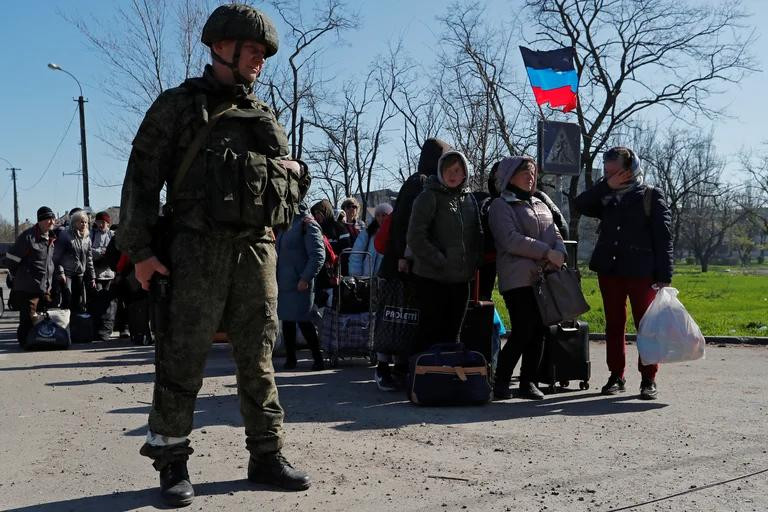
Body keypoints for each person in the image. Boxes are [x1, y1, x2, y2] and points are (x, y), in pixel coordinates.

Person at [117, 4, 311, 506]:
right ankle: (172, 460)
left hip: (255, 250)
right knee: (182, 357)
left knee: (259, 358)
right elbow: (141, 178)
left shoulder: (264, 114)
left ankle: (266, 454)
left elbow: (278, 189)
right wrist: (139, 250)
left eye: (264, 53)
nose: (260, 60)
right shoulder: (178, 106)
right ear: (221, 48)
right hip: (195, 249)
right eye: (252, 50)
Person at [574, 146, 673, 400]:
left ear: (630, 169)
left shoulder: (651, 195)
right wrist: (606, 186)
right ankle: (616, 375)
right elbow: (581, 204)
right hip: (610, 270)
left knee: (646, 326)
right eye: (607, 172)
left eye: (616, 172)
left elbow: (664, 238)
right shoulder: (605, 195)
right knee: (614, 325)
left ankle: (648, 378)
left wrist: (664, 275)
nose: (611, 177)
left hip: (642, 273)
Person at [488, 157, 567, 400]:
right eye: (525, 173)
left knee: (542, 330)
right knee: (523, 330)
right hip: (518, 278)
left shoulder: (539, 203)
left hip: (544, 278)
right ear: (509, 175)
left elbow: (555, 233)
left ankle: (528, 381)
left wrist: (560, 253)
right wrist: (546, 253)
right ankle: (500, 381)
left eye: (533, 173)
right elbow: (510, 239)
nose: (530, 177)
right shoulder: (501, 205)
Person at [406, 150, 482, 354]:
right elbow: (415, 237)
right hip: (432, 277)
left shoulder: (469, 199)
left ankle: (445, 379)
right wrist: (439, 259)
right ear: (440, 170)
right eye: (448, 169)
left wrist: (474, 261)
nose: (452, 174)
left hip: (460, 279)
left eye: (457, 170)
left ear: (465, 173)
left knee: (453, 333)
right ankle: (417, 377)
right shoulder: (428, 196)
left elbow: (476, 235)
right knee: (429, 332)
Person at [379, 138, 453, 278]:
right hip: (405, 263)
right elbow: (403, 220)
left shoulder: (426, 181)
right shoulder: (420, 182)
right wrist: (402, 256)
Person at [276, 203, 326, 371]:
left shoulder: (307, 224)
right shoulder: (285, 225)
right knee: (287, 322)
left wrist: (305, 278)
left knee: (305, 321)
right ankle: (291, 359)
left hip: (300, 284)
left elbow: (318, 255)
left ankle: (318, 358)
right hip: (285, 283)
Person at [2, 206, 57, 348]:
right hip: (28, 286)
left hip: (45, 286)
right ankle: (25, 343)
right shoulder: (28, 237)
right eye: (47, 219)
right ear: (40, 221)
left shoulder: (51, 237)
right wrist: (21, 275)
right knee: (27, 318)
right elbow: (11, 260)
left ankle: (38, 340)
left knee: (41, 317)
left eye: (52, 218)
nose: (51, 221)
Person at [54, 209, 95, 313]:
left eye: (86, 222)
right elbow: (57, 256)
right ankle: (65, 325)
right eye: (81, 221)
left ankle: (75, 326)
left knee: (78, 302)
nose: (84, 224)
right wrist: (61, 272)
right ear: (74, 222)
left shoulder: (87, 238)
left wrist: (92, 277)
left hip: (80, 273)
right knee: (67, 299)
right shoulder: (65, 235)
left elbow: (89, 258)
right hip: (67, 273)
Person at [348, 202, 392, 277]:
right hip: (367, 279)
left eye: (384, 215)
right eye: (378, 215)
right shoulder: (367, 233)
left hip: (387, 280)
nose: (381, 218)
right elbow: (356, 255)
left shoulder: (394, 234)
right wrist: (357, 276)